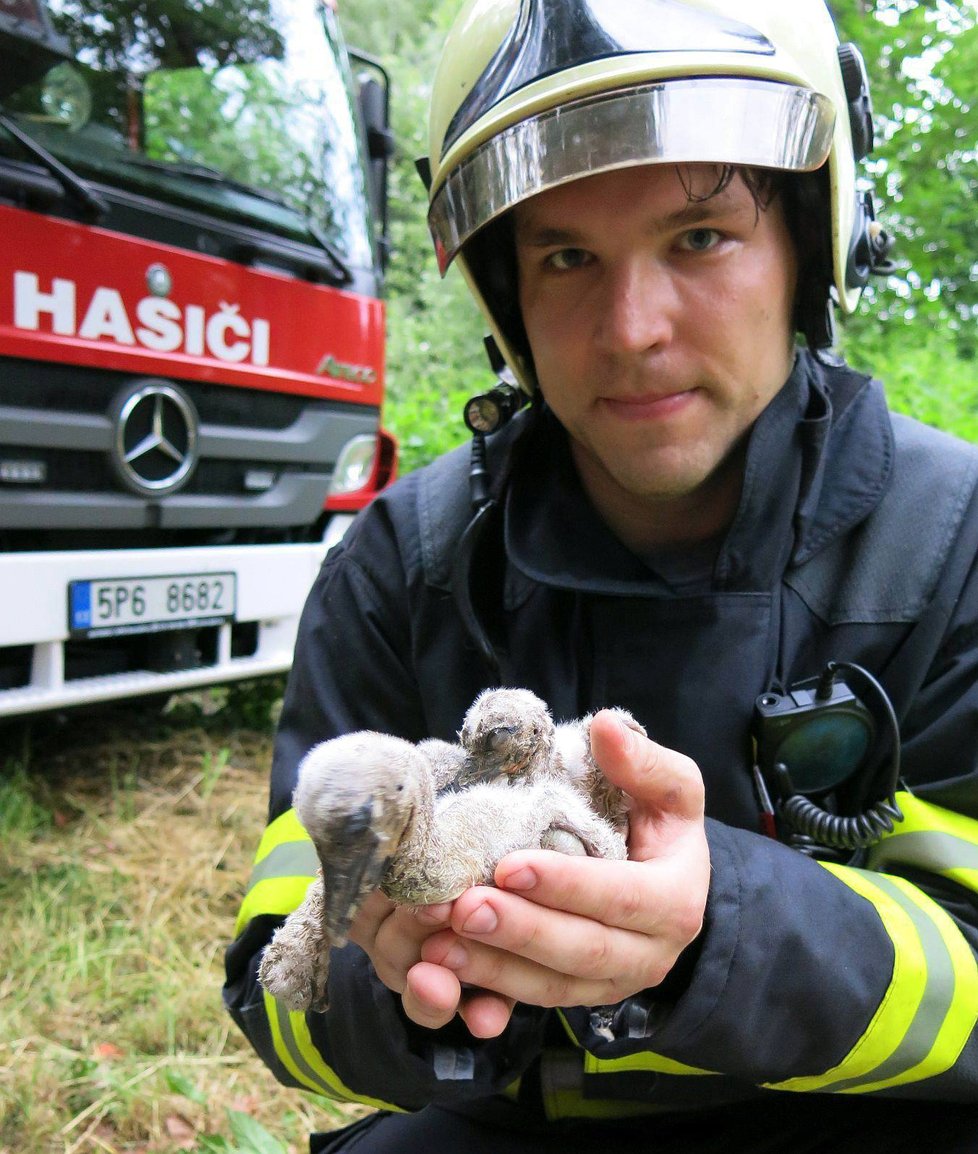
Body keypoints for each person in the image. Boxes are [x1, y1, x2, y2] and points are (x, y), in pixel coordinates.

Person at [224, 1, 978, 1150]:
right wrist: (406, 971)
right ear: (505, 293)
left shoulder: (954, 540)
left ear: (809, 246)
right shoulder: (402, 563)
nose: (631, 328)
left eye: (700, 238)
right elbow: (271, 973)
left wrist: (719, 926)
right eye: (567, 255)